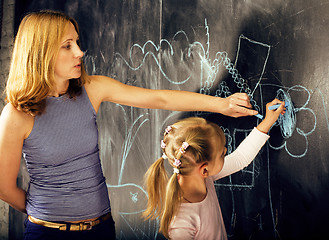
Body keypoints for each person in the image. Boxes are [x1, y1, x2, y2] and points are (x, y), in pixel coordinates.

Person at [0, 10, 258, 240]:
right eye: (67, 46)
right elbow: (4, 187)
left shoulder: (91, 89)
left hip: (101, 227)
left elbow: (159, 98)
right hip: (47, 233)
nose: (79, 51)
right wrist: (49, 211)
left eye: (76, 42)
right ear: (40, 52)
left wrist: (222, 104)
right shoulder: (17, 114)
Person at [143, 99, 286, 239]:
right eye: (222, 154)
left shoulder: (202, 177)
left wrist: (268, 121)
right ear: (204, 170)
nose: (225, 151)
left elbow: (240, 158)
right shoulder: (181, 225)